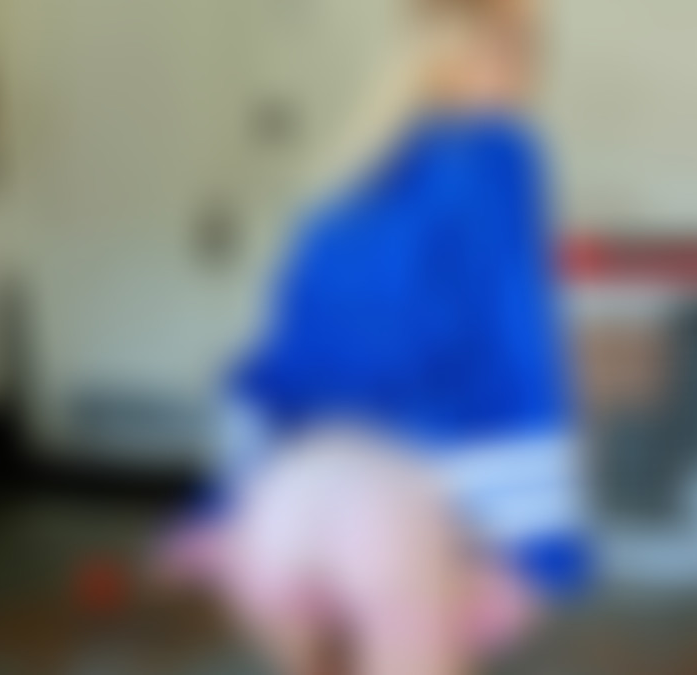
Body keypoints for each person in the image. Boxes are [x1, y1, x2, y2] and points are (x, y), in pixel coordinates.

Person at [158, 0, 592, 673]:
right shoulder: (499, 153)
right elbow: (514, 335)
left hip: (280, 504)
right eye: (530, 50)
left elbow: (285, 351)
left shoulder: (343, 177)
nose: (536, 74)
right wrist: (541, 535)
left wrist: (227, 503)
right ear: (493, 54)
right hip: (393, 505)